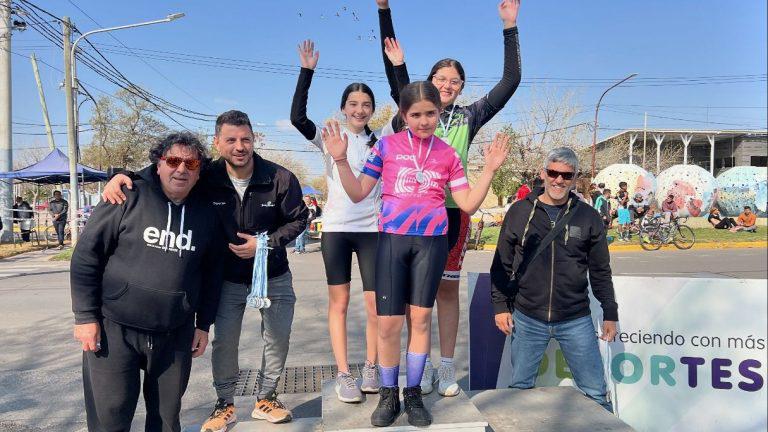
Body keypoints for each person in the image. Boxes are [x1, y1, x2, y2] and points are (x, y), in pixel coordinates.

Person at [102, 110, 309, 428]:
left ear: (254, 140)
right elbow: (167, 170)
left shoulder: (279, 177)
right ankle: (224, 403)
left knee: (277, 338)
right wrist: (124, 175)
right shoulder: (206, 175)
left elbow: (299, 218)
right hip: (226, 278)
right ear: (217, 143)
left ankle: (267, 397)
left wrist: (265, 243)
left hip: (273, 275)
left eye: (245, 139)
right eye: (231, 140)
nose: (239, 146)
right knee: (225, 341)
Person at [323, 81, 510, 427]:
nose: (424, 121)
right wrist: (340, 159)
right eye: (416, 114)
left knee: (421, 320)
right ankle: (388, 394)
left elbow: (467, 203)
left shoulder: (449, 154)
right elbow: (358, 193)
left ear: (439, 113)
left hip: (432, 242)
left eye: (431, 114)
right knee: (389, 324)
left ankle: (412, 395)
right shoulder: (386, 146)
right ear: (404, 115)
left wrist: (489, 170)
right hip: (392, 242)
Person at [377, 0, 522, 397]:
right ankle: (415, 368)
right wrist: (384, 12)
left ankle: (444, 367)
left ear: (460, 87)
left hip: (453, 212)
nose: (446, 83)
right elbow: (399, 82)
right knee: (411, 298)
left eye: (454, 80)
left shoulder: (467, 117)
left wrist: (509, 27)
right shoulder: (413, 113)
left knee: (444, 291)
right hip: (409, 217)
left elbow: (510, 83)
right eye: (440, 77)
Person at [71, 132, 225, 432]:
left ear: (198, 172)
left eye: (191, 163)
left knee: (166, 421)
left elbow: (212, 273)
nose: (181, 169)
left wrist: (203, 325)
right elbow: (86, 257)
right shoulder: (126, 196)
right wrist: (85, 317)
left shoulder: (207, 214)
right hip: (114, 329)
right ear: (158, 164)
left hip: (175, 333)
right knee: (110, 417)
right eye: (173, 160)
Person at [290, 39, 383, 403]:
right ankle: (345, 373)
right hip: (337, 230)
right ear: (343, 108)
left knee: (376, 305)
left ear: (373, 109)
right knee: (339, 304)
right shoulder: (330, 137)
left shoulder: (382, 139)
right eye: (353, 104)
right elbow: (298, 118)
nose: (359, 109)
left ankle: (372, 366)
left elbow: (402, 95)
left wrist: (396, 63)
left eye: (366, 104)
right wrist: (306, 72)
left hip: (373, 230)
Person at [490, 147, 618, 413]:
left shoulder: (588, 216)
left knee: (596, 393)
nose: (559, 180)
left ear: (575, 179)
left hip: (575, 319)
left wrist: (610, 312)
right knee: (519, 392)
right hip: (527, 317)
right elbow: (501, 263)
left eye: (566, 175)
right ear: (543, 174)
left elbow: (600, 270)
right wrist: (500, 306)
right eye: (553, 173)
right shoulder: (519, 212)